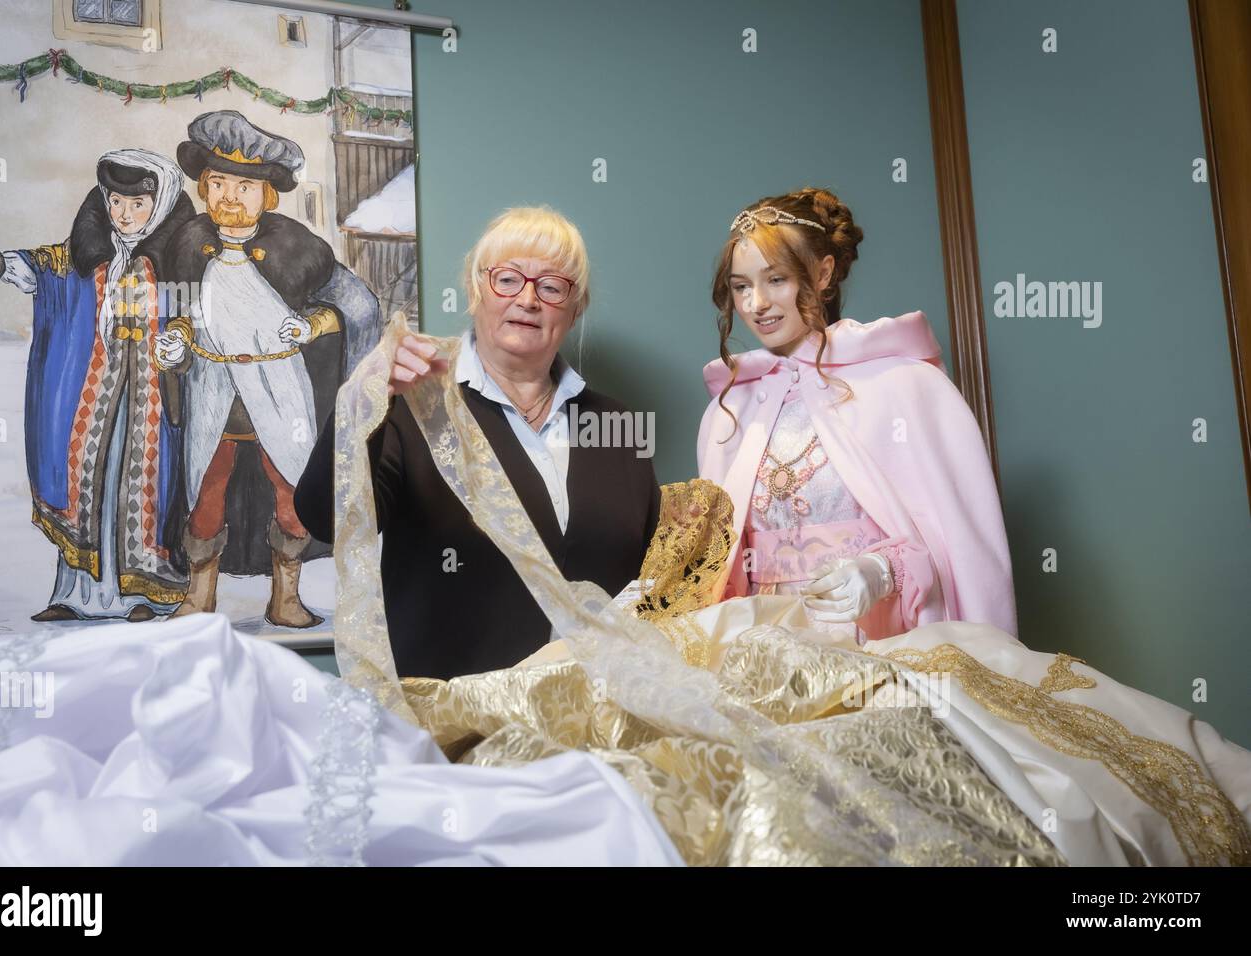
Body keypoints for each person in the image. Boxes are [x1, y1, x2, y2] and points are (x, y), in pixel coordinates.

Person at [295, 206, 660, 679]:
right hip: (453, 728)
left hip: (594, 724)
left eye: (551, 287)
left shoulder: (616, 424)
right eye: (507, 279)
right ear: (474, 291)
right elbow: (324, 518)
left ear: (575, 309)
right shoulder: (412, 405)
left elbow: (650, 577)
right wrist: (361, 403)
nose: (528, 300)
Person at [696, 187, 1017, 641]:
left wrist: (884, 570)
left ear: (824, 272)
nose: (756, 305)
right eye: (741, 286)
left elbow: (962, 549)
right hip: (766, 652)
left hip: (879, 645)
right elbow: (718, 567)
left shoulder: (905, 386)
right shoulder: (727, 411)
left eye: (776, 279)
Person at [0, 150, 196, 621]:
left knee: (143, 489)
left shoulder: (180, 259)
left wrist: (179, 344)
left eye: (137, 204)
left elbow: (195, 320)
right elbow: (38, 271)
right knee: (88, 485)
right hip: (95, 399)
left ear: (160, 203)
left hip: (151, 406)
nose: (124, 215)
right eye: (116, 202)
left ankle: (146, 594)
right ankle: (77, 595)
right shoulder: (88, 255)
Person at [157, 110, 378, 628]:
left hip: (281, 391)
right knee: (206, 490)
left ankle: (287, 598)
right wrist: (177, 342)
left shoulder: (296, 250)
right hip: (215, 391)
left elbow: (357, 306)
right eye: (217, 184)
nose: (229, 197)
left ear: (266, 196)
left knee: (290, 490)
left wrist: (313, 325)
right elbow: (184, 315)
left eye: (244, 186)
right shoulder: (187, 245)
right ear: (204, 188)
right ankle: (199, 596)